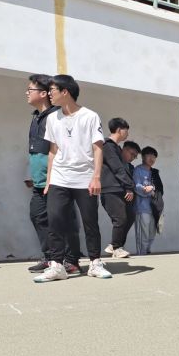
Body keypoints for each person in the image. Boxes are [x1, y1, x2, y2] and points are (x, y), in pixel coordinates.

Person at [34, 74, 111, 282]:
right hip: (59, 178)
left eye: (52, 90)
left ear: (65, 91)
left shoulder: (90, 116)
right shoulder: (52, 118)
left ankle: (95, 263)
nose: (49, 94)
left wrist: (96, 177)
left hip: (85, 178)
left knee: (90, 222)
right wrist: (49, 180)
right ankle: (57, 266)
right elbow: (53, 150)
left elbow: (98, 148)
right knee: (55, 221)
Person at [24, 73, 82, 274]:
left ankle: (71, 260)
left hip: (59, 180)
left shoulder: (58, 116)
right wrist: (33, 174)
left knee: (63, 220)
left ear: (43, 93)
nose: (26, 93)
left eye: (29, 89)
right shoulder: (36, 117)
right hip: (40, 181)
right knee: (38, 216)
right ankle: (50, 258)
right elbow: (37, 152)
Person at [100, 117, 136, 259]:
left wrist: (128, 187)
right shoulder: (107, 146)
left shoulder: (116, 148)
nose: (128, 133)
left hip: (120, 188)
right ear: (120, 130)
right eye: (126, 130)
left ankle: (114, 245)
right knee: (120, 219)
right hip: (110, 189)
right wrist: (130, 186)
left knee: (130, 216)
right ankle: (116, 247)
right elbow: (117, 168)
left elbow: (122, 169)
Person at [133, 146, 161, 254]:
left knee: (151, 234)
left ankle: (147, 253)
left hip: (154, 208)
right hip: (142, 208)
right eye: (149, 155)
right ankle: (142, 255)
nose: (152, 158)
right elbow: (136, 187)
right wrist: (147, 190)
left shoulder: (155, 172)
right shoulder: (138, 170)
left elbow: (160, 189)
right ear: (143, 157)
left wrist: (152, 190)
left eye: (154, 156)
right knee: (143, 235)